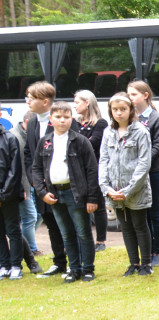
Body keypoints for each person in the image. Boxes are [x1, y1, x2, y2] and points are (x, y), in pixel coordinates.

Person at [30, 101, 102, 283]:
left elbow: (92, 170)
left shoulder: (80, 141)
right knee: (67, 233)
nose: (62, 121)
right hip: (55, 193)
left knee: (83, 232)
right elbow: (36, 168)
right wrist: (42, 192)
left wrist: (92, 198)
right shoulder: (45, 141)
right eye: (58, 117)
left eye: (66, 117)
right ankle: (74, 269)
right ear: (51, 119)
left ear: (72, 118)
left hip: (75, 192)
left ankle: (87, 268)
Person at [99, 93, 153, 276]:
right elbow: (103, 161)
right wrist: (106, 188)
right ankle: (133, 263)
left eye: (123, 109)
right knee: (126, 227)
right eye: (115, 109)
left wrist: (128, 189)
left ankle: (146, 264)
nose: (119, 113)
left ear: (131, 110)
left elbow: (144, 164)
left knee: (139, 225)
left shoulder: (141, 132)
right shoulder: (108, 132)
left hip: (135, 190)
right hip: (114, 190)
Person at [24, 82, 74, 277]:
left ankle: (74, 262)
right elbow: (29, 155)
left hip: (62, 184)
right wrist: (37, 184)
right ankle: (59, 262)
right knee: (52, 225)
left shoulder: (63, 121)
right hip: (41, 186)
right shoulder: (33, 123)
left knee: (68, 225)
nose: (27, 100)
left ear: (45, 102)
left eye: (31, 97)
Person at [127, 81, 159, 266]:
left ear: (145, 95)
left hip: (152, 171)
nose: (130, 98)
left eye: (133, 94)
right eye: (128, 95)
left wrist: (141, 163)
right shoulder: (129, 117)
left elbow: (158, 146)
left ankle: (158, 251)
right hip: (134, 173)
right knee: (140, 213)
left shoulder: (156, 118)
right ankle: (145, 250)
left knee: (155, 212)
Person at [74, 90, 109, 252]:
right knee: (81, 205)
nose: (74, 106)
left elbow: (94, 143)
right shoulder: (75, 123)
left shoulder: (100, 124)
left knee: (98, 205)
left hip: (95, 169)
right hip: (77, 170)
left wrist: (78, 144)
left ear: (87, 102)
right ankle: (85, 238)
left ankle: (101, 241)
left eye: (77, 102)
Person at [10, 111, 43, 274]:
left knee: (16, 226)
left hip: (17, 186)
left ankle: (28, 259)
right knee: (24, 221)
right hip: (20, 185)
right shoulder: (15, 136)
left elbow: (15, 167)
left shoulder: (11, 137)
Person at [0, 120, 24, 279]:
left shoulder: (9, 138)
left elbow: (14, 171)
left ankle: (16, 265)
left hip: (8, 194)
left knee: (13, 229)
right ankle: (4, 264)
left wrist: (3, 194)